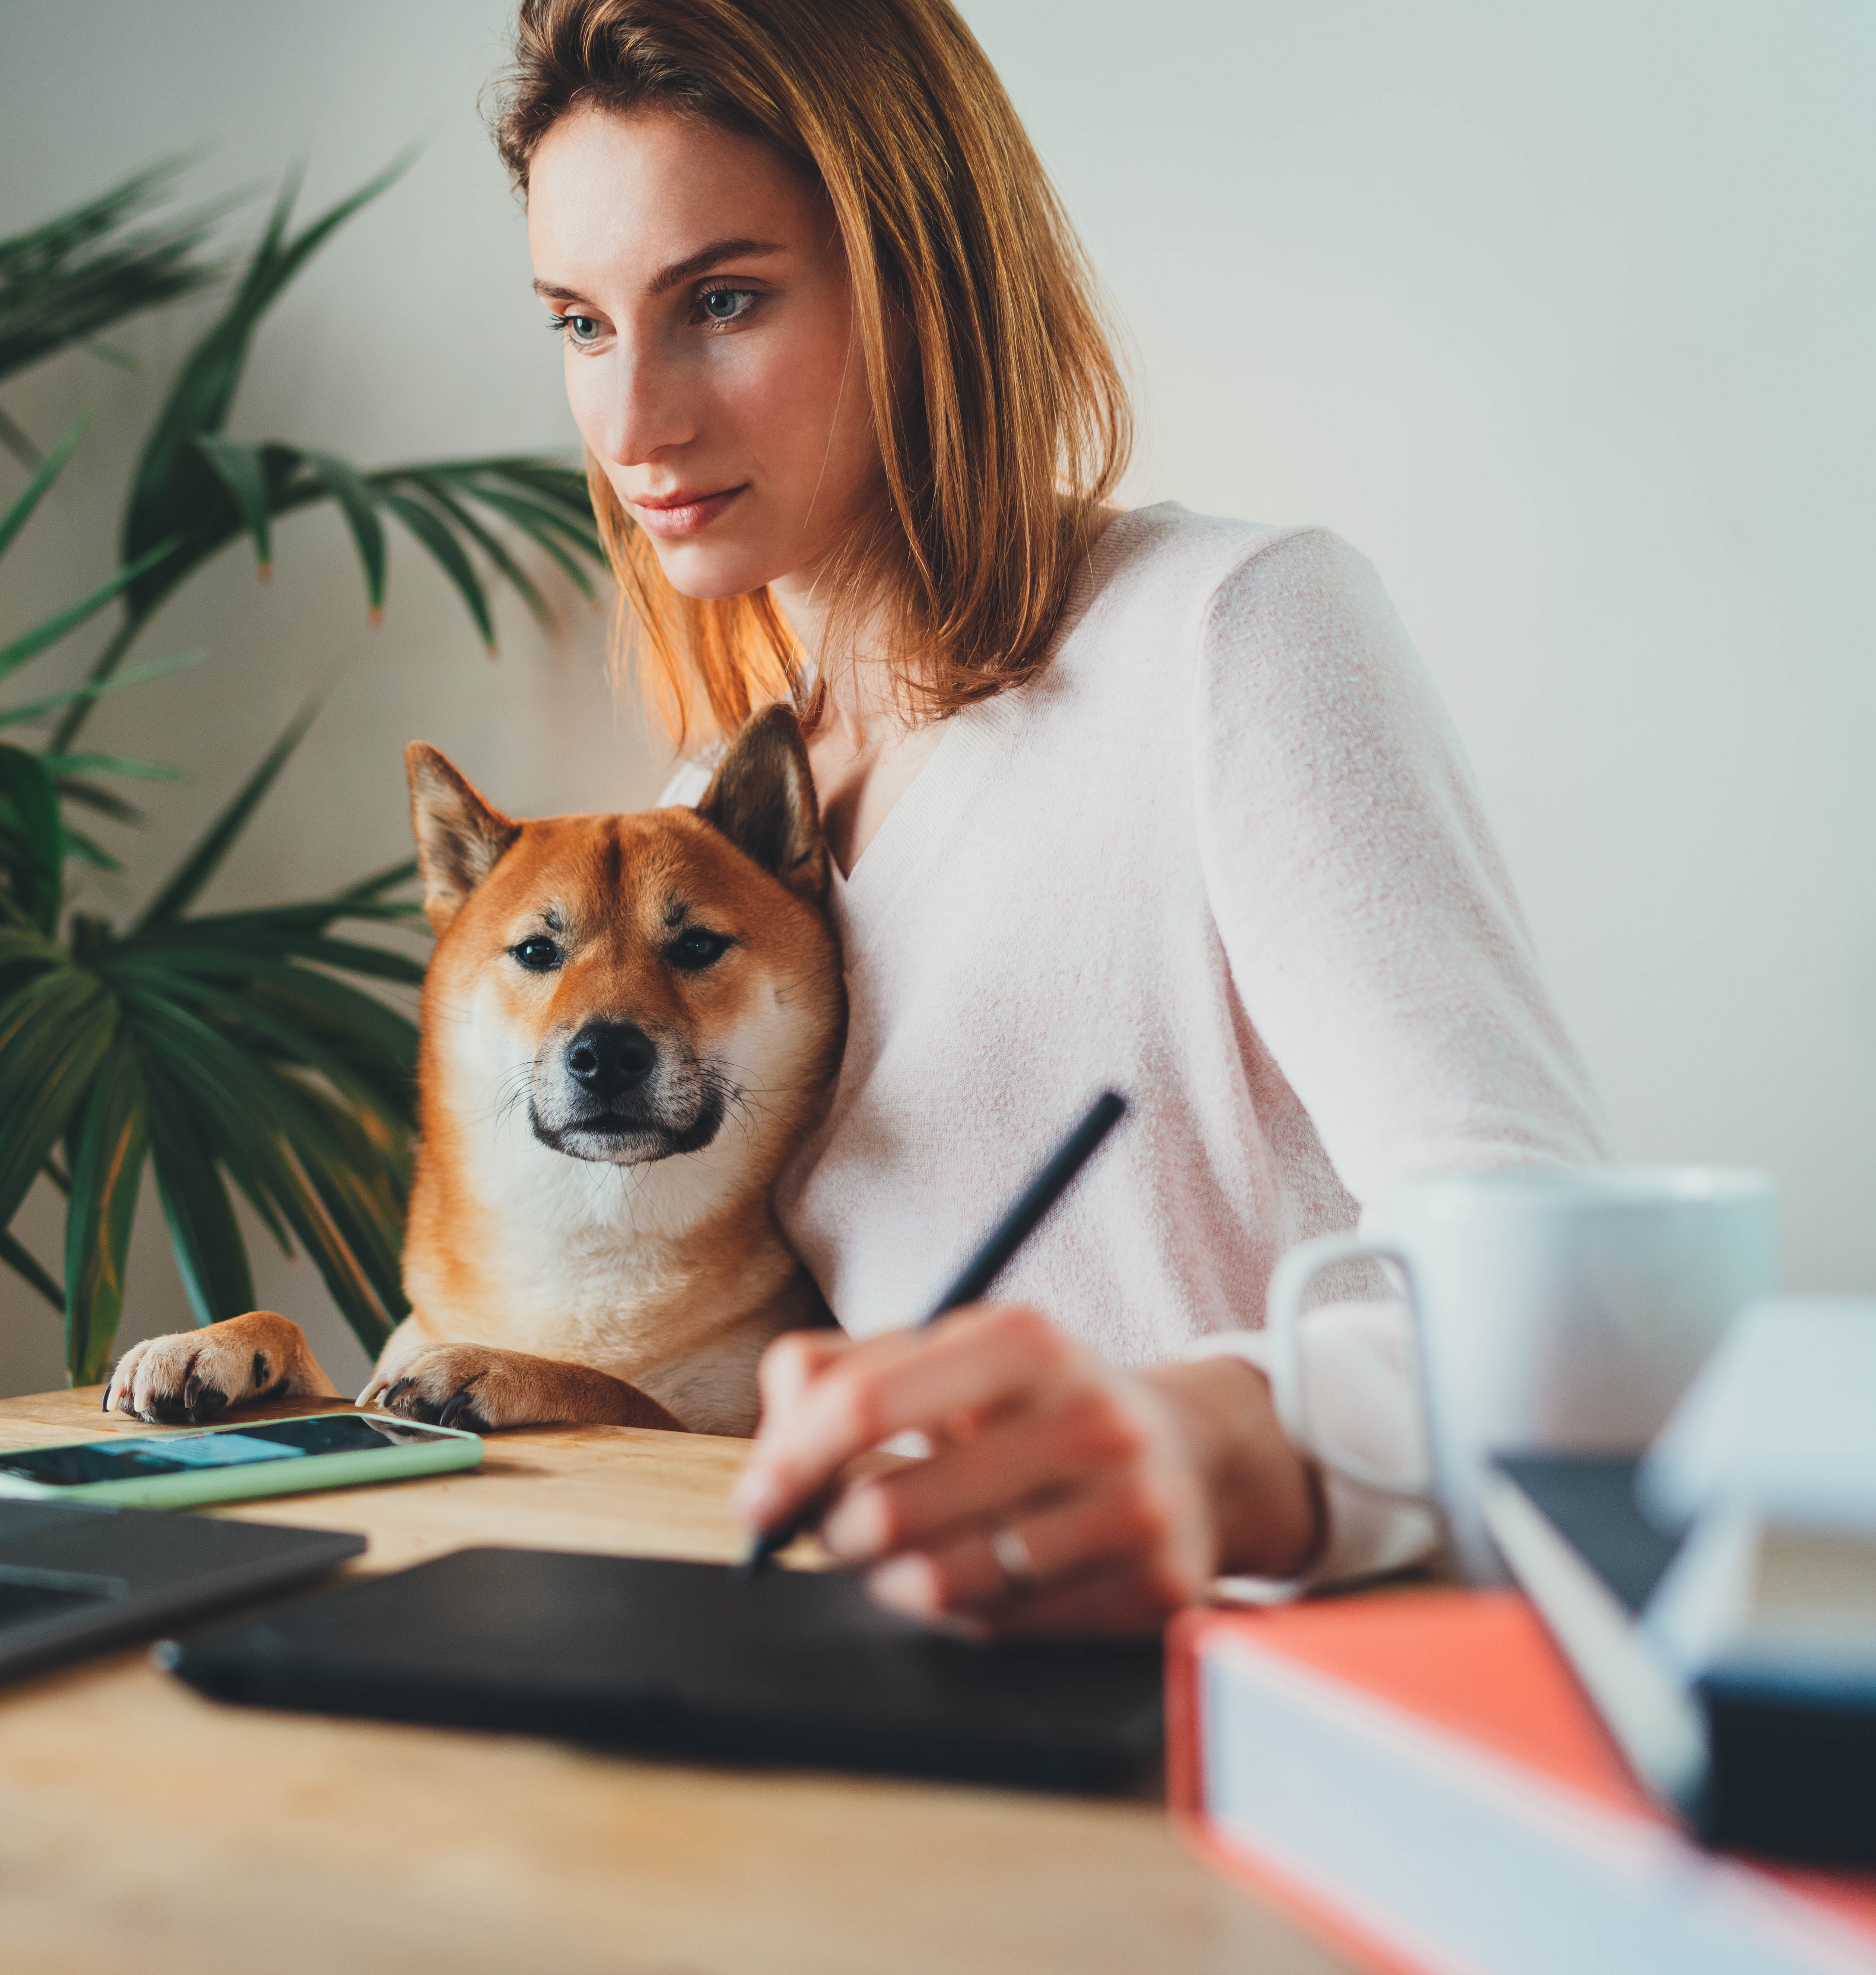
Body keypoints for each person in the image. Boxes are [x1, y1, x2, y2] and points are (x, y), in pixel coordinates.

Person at [493, 0, 1609, 1634]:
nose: (632, 420)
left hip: (1252, 1695)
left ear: (918, 273)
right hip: (900, 1689)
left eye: (719, 302)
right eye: (579, 326)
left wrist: (1227, 1442)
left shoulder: (1223, 633)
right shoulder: (705, 833)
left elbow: (1555, 1282)